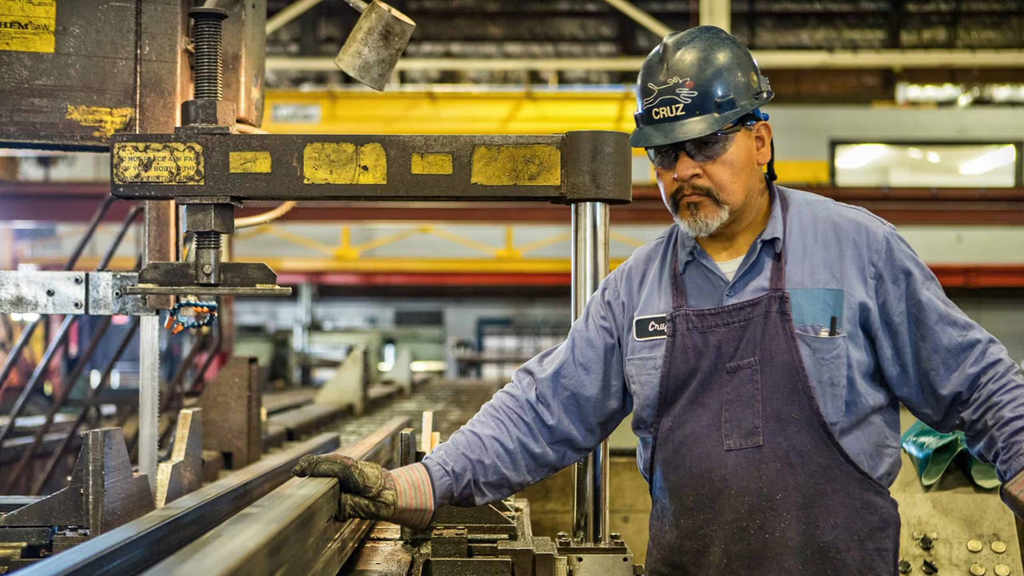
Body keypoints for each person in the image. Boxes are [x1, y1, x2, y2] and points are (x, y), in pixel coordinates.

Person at [292, 26, 1024, 574]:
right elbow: (545, 409)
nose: (683, 172)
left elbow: (979, 383)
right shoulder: (635, 290)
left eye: (704, 146)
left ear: (760, 141)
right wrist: (415, 484)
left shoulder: (859, 252)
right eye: (665, 154)